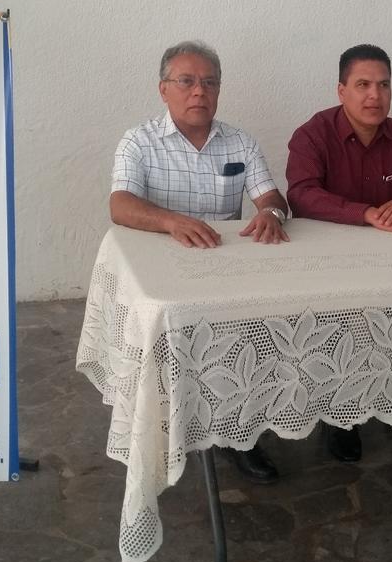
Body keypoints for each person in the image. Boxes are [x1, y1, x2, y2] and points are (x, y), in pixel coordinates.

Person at [110, 40, 288, 483]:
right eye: (186, 81)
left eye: (209, 82)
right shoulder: (139, 142)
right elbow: (120, 205)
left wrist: (270, 213)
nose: (198, 92)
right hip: (163, 273)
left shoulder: (240, 142)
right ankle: (166, 432)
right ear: (163, 89)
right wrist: (171, 221)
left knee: (252, 339)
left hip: (223, 268)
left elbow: (271, 197)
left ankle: (240, 434)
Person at [286, 43, 392, 462]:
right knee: (340, 327)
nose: (374, 96)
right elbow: (302, 195)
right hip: (330, 262)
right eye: (362, 85)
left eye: (383, 85)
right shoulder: (312, 134)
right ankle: (340, 416)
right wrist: (365, 213)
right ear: (341, 90)